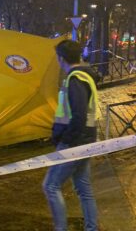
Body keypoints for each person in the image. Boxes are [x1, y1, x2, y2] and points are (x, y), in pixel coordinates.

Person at [42, 39, 98, 231]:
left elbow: (78, 114)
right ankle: (91, 228)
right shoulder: (86, 76)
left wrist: (65, 140)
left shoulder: (75, 79)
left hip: (74, 142)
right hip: (86, 139)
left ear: (61, 58)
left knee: (50, 186)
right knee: (84, 188)